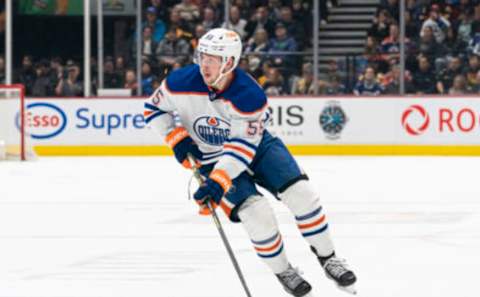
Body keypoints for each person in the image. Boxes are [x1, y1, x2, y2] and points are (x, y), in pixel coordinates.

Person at [144, 28, 357, 297]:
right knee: (256, 214)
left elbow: (241, 148)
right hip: (209, 158)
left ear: (229, 62)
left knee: (302, 195)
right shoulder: (179, 82)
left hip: (257, 148)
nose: (204, 64)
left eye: (213, 58)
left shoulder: (249, 94)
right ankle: (284, 271)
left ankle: (329, 259)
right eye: (202, 56)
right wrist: (175, 137)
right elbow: (153, 109)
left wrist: (218, 182)